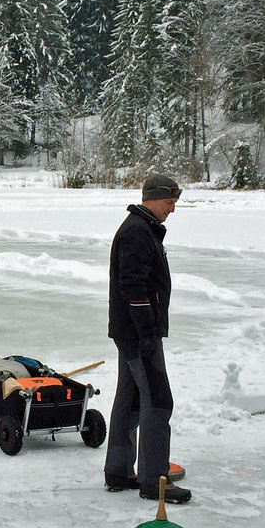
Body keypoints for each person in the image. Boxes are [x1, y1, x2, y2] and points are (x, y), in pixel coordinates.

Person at [105, 173, 189, 504]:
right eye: (169, 202)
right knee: (157, 401)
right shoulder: (138, 231)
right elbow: (133, 287)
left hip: (130, 332)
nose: (172, 209)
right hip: (139, 334)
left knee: (131, 399)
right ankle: (154, 479)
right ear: (151, 199)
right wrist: (147, 332)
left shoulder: (141, 228)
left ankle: (119, 470)